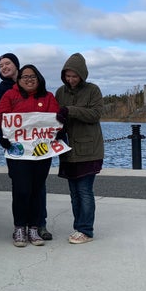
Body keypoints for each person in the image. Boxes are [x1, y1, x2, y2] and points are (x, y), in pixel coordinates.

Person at [0, 64, 60, 247]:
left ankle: (34, 227)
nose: (29, 79)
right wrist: (5, 135)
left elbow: (55, 119)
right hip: (18, 152)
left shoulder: (48, 97)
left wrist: (59, 126)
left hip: (41, 153)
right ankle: (19, 227)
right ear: (19, 79)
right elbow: (0, 118)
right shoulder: (10, 95)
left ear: (39, 78)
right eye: (25, 76)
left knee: (37, 190)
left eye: (33, 76)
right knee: (21, 190)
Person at [55, 53, 104, 244]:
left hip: (89, 150)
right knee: (74, 192)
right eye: (68, 76)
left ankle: (86, 230)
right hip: (68, 150)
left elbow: (95, 114)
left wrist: (70, 110)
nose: (71, 79)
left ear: (82, 75)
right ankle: (78, 227)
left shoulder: (93, 90)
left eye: (74, 76)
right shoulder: (60, 92)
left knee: (84, 191)